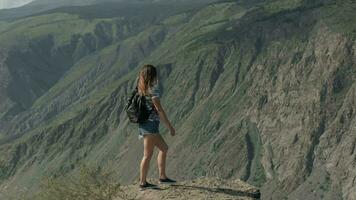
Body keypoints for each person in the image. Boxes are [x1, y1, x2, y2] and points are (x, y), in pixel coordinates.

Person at [136, 64, 177, 190]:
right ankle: (143, 183)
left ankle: (162, 177)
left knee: (164, 148)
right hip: (150, 127)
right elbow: (159, 110)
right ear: (152, 75)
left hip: (146, 125)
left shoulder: (141, 88)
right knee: (147, 154)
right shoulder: (153, 90)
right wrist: (170, 126)